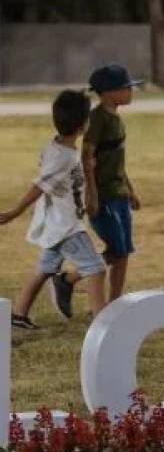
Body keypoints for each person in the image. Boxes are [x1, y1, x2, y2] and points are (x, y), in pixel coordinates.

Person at [0, 90, 107, 329]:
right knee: (96, 269)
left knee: (45, 267)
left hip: (57, 222)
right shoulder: (64, 157)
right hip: (65, 225)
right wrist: (15, 211)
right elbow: (41, 184)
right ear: (83, 125)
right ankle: (104, 326)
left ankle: (18, 314)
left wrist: (88, 169)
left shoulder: (57, 145)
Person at [84, 64, 142, 303]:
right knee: (116, 250)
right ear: (108, 92)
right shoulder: (98, 118)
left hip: (118, 192)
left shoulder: (116, 118)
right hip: (105, 194)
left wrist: (130, 190)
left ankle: (115, 301)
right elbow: (87, 156)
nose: (131, 91)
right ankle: (69, 278)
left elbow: (116, 158)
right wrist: (92, 194)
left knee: (124, 250)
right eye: (126, 87)